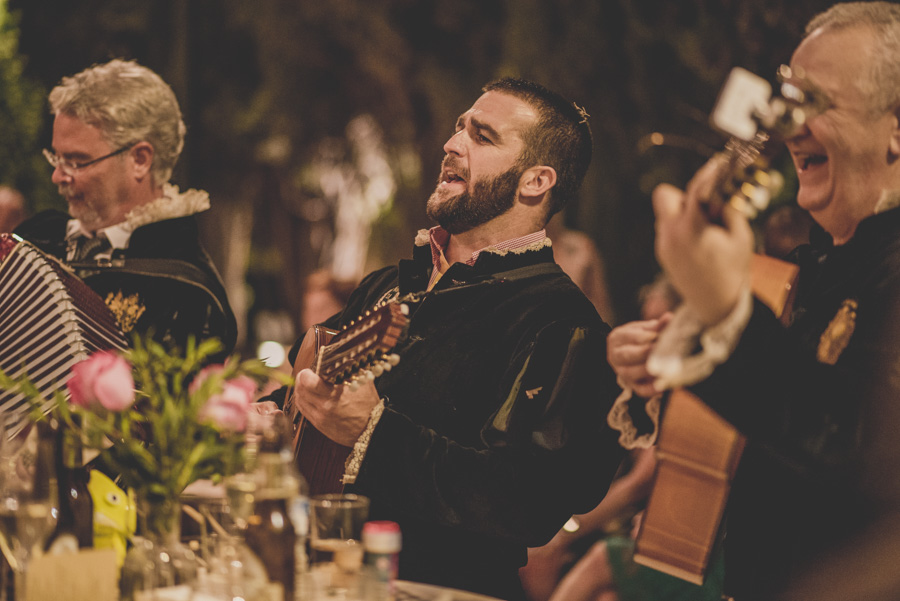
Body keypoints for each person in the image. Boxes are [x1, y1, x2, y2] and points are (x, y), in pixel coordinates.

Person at [275, 78, 624, 600]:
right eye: (459, 126)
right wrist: (267, 414)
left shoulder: (562, 321)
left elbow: (530, 503)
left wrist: (376, 434)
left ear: (535, 181)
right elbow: (301, 395)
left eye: (482, 136)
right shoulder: (386, 285)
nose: (451, 143)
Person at [607, 3, 900, 600]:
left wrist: (725, 318)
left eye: (811, 104)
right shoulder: (805, 273)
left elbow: (865, 451)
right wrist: (662, 373)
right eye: (783, 101)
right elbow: (778, 430)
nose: (784, 130)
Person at [13, 59, 236, 355]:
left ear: (140, 160)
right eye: (56, 158)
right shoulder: (37, 236)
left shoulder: (188, 293)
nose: (58, 176)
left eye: (77, 161)